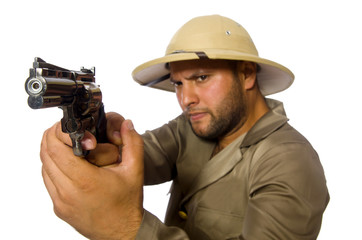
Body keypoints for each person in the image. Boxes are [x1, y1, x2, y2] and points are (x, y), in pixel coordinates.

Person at [40, 15, 329, 240]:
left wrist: (128, 230)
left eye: (201, 78)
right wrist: (101, 136)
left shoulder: (290, 161)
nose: (185, 99)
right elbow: (141, 155)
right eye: (178, 83)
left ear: (247, 74)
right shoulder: (194, 127)